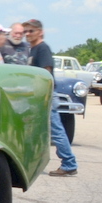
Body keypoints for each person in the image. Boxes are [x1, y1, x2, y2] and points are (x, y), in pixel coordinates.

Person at [25, 18, 77, 177]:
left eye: (31, 31)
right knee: (36, 131)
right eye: (26, 31)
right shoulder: (32, 49)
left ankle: (69, 164)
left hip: (45, 96)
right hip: (38, 96)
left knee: (56, 131)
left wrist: (42, 95)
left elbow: (46, 73)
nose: (28, 34)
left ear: (40, 32)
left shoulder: (42, 48)